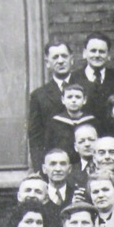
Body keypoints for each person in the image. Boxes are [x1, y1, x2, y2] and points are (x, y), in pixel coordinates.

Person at [28, 39, 74, 167]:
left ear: (71, 59)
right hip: (55, 164)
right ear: (47, 63)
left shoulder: (85, 88)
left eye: (64, 56)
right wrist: (40, 168)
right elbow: (35, 137)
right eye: (55, 57)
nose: (60, 61)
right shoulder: (39, 95)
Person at [69, 32, 114, 131]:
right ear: (84, 53)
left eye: (102, 52)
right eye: (93, 51)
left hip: (111, 133)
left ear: (108, 55)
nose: (97, 55)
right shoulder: (74, 78)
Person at [43, 83, 95, 163]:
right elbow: (49, 146)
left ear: (84, 100)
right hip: (62, 163)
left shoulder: (91, 121)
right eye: (69, 97)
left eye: (78, 97)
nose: (73, 100)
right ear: (63, 100)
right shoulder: (55, 122)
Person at [67, 123, 98, 188]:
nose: (87, 144)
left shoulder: (109, 167)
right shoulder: (69, 172)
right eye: (81, 141)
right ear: (75, 147)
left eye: (91, 140)